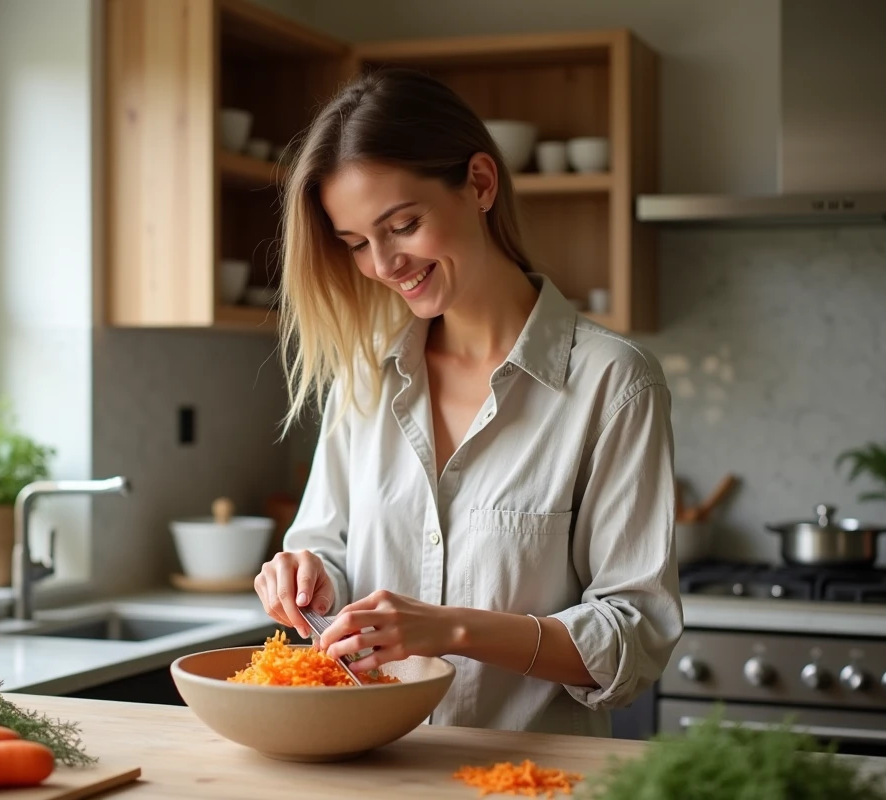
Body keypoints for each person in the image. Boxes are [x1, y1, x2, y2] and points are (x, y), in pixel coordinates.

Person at [255, 67, 682, 738]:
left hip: (525, 776)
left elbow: (633, 638)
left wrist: (453, 629)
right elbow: (326, 547)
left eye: (403, 225)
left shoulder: (614, 383)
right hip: (368, 772)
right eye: (356, 244)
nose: (383, 265)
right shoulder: (364, 376)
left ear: (480, 183)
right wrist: (307, 575)